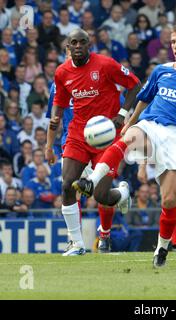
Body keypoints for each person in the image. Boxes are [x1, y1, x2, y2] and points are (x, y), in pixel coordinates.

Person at [72, 22, 176, 266]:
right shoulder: (161, 70)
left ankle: (162, 247)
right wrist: (130, 121)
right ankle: (91, 181)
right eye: (173, 42)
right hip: (151, 125)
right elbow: (144, 98)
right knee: (126, 139)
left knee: (169, 200)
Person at [45, 28, 140, 256]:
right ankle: (77, 244)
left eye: (82, 42)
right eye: (73, 43)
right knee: (67, 184)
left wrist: (122, 112)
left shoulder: (106, 64)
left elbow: (135, 84)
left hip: (106, 136)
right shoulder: (61, 72)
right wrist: (49, 143)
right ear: (68, 47)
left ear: (90, 45)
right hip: (78, 133)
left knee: (100, 196)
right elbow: (59, 103)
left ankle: (123, 193)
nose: (78, 46)